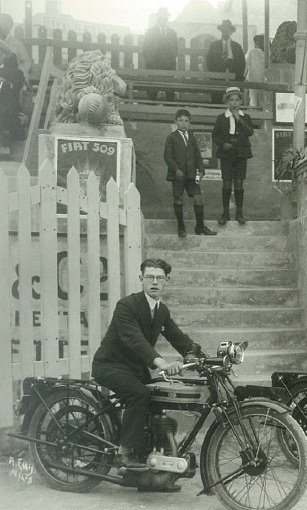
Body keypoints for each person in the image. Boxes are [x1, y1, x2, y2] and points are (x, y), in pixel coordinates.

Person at [91, 258, 199, 479]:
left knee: (158, 395)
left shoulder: (161, 310)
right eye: (150, 277)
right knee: (139, 394)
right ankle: (124, 453)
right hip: (110, 365)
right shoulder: (127, 306)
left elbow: (179, 338)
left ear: (167, 281)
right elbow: (135, 341)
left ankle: (150, 456)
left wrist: (200, 358)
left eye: (160, 278)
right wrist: (162, 364)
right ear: (141, 279)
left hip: (134, 369)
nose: (155, 282)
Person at [164, 109, 216, 238]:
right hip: (178, 175)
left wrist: (202, 170)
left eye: (186, 121)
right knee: (178, 198)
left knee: (198, 198)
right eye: (181, 120)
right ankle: (181, 227)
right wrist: (176, 170)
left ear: (190, 123)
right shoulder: (171, 137)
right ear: (175, 121)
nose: (183, 123)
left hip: (191, 174)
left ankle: (200, 226)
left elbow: (198, 155)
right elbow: (167, 157)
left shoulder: (191, 138)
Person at [213, 87, 253, 225]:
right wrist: (223, 144)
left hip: (241, 152)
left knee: (239, 183)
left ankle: (239, 213)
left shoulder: (245, 117)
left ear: (241, 101)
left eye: (237, 100)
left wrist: (239, 119)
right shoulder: (221, 118)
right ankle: (225, 213)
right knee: (227, 182)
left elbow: (249, 132)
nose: (234, 103)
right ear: (227, 102)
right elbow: (215, 136)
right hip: (227, 153)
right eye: (231, 100)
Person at [142, 8, 178, 101]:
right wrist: (152, 64)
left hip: (169, 69)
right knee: (152, 94)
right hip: (154, 68)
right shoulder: (150, 32)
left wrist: (170, 64)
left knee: (170, 94)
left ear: (167, 18)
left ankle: (170, 112)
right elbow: (145, 51)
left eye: (165, 17)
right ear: (158, 18)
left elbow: (175, 51)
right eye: (161, 17)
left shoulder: (172, 33)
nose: (163, 19)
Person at [206, 20, 246, 103]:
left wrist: (234, 76)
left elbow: (242, 64)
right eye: (223, 30)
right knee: (216, 100)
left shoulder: (236, 46)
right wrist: (219, 73)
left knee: (234, 99)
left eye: (228, 30)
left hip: (233, 79)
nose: (225, 32)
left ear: (231, 32)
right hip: (217, 78)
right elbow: (209, 63)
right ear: (221, 31)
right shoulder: (214, 45)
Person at [0, 14, 31, 80]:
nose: (2, 27)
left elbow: (27, 63)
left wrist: (16, 71)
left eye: (4, 24)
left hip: (12, 79)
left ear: (10, 27)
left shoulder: (17, 44)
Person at [245, 34, 265, 107]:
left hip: (253, 78)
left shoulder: (252, 52)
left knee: (253, 98)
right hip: (263, 78)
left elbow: (246, 65)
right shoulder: (268, 53)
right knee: (262, 98)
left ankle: (254, 113)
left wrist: (244, 77)